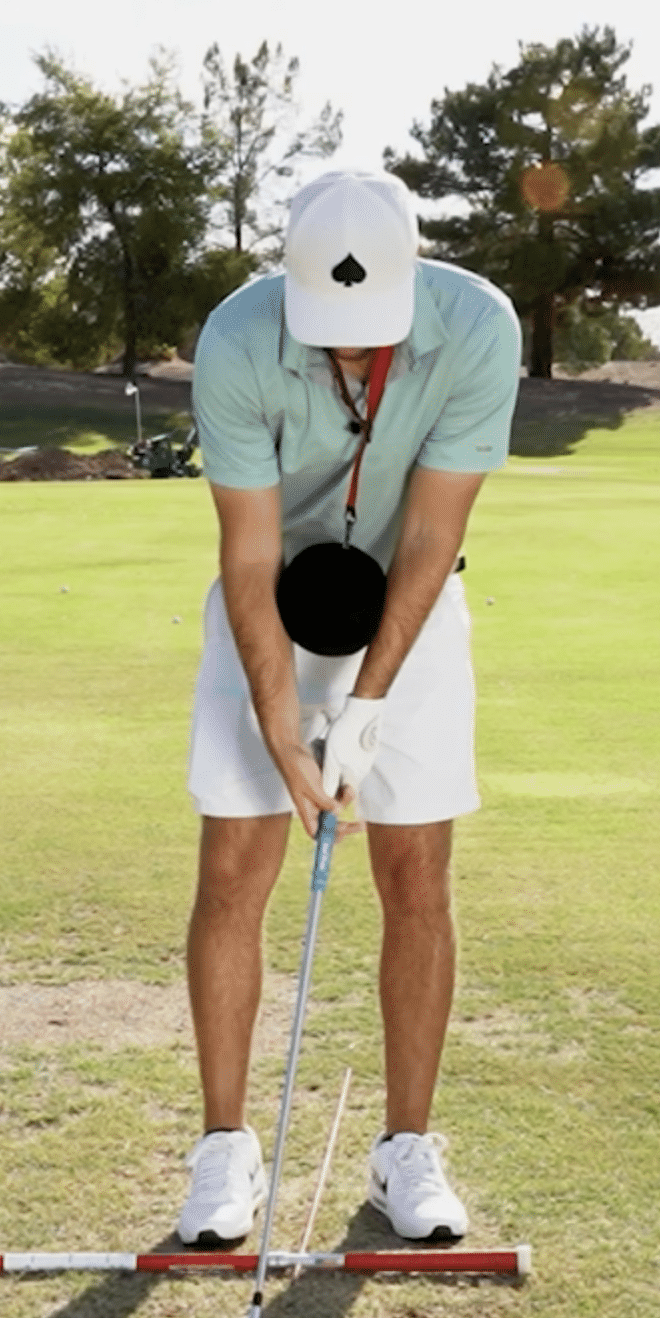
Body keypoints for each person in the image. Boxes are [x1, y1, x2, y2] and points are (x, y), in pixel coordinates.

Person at [175, 170, 518, 1247]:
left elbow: (426, 537)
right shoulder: (234, 341)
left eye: (368, 336)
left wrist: (368, 701)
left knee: (415, 870)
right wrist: (284, 724)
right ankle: (224, 1150)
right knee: (233, 866)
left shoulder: (477, 327)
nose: (351, 359)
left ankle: (404, 1148)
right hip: (272, 609)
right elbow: (246, 551)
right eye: (330, 337)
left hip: (409, 609)